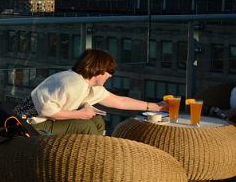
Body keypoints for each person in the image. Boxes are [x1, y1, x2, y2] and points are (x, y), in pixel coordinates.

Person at [26, 49, 165, 136]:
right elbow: (47, 111)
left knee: (97, 121)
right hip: (33, 123)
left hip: (45, 119)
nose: (110, 76)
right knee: (85, 126)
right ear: (98, 70)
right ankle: (92, 161)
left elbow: (119, 101)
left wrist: (154, 106)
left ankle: (88, 154)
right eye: (109, 72)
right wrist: (81, 114)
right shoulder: (73, 84)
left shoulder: (87, 84)